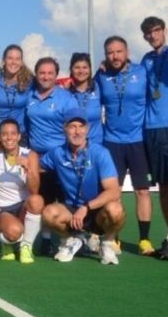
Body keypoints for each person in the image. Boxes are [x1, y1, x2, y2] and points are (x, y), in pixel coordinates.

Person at [41, 109, 125, 265]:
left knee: (116, 209)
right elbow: (37, 165)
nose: (77, 131)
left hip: (97, 211)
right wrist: (21, 160)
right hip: (71, 210)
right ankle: (70, 241)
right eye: (72, 126)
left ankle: (107, 244)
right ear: (64, 129)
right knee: (48, 213)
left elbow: (113, 191)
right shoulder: (57, 153)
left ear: (87, 129)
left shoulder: (100, 153)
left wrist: (86, 207)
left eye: (81, 126)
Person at [95, 36, 153, 256]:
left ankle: (144, 240)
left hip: (139, 141)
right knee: (114, 193)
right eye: (110, 52)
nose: (115, 56)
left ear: (127, 52)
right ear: (105, 55)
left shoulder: (142, 72)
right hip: (112, 143)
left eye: (119, 51)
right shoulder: (101, 76)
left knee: (142, 191)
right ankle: (114, 238)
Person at [25, 57, 77, 254]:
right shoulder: (29, 96)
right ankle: (46, 240)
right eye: (42, 73)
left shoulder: (66, 98)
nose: (46, 77)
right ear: (36, 75)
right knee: (43, 198)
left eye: (50, 73)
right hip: (38, 158)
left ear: (56, 75)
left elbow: (74, 127)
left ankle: (69, 238)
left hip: (61, 157)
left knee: (65, 200)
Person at [0, 119, 43, 264]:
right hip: (1, 208)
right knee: (14, 232)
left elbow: (34, 190)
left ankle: (26, 246)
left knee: (37, 200)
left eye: (13, 134)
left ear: (19, 136)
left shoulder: (30, 155)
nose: (9, 138)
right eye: (4, 134)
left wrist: (27, 168)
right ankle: (6, 241)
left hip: (22, 206)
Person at [140, 16, 168, 260]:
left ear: (164, 31)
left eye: (156, 30)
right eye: (148, 33)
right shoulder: (146, 60)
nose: (153, 35)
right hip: (150, 130)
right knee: (163, 187)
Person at [0, 44, 33, 143]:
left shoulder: (29, 80)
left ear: (21, 62)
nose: (13, 62)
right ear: (4, 60)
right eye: (10, 58)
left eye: (17, 59)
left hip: (20, 135)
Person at [66, 53, 102, 144]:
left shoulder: (98, 87)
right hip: (72, 145)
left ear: (90, 69)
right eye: (77, 67)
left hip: (96, 144)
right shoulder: (64, 92)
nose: (81, 71)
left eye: (85, 67)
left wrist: (105, 63)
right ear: (71, 69)